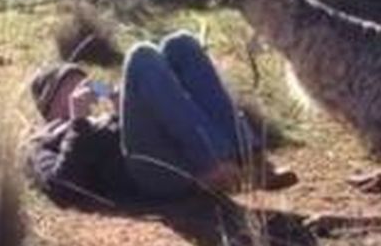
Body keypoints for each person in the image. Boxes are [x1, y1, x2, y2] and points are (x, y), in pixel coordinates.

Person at [26, 30, 297, 207]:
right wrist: (78, 123)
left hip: (167, 153)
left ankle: (250, 159)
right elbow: (61, 188)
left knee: (179, 44)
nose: (82, 89)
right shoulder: (41, 141)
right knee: (141, 56)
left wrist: (123, 112)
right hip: (145, 176)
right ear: (49, 103)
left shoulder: (99, 119)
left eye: (83, 82)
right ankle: (214, 165)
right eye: (70, 85)